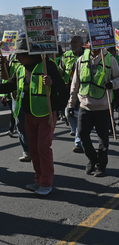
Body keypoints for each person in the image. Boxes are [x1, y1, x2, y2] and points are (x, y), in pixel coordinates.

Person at [0, 33, 67, 195]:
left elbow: (62, 89)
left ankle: (46, 182)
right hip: (29, 114)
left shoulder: (48, 65)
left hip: (46, 114)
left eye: (21, 55)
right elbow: (10, 85)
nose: (18, 59)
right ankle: (38, 179)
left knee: (43, 146)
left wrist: (52, 86)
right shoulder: (21, 68)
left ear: (30, 54)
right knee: (34, 149)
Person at [68, 44, 119, 177]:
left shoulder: (110, 59)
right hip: (85, 106)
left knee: (103, 139)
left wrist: (112, 84)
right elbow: (75, 83)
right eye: (91, 44)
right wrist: (71, 103)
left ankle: (101, 166)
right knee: (81, 134)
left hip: (103, 107)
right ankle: (93, 159)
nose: (94, 47)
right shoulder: (81, 59)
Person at [59, 35, 85, 153]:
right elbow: (61, 70)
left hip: (82, 90)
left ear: (81, 44)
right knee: (68, 114)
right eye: (71, 42)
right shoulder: (66, 55)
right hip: (68, 89)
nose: (72, 44)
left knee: (79, 116)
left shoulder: (87, 55)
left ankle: (78, 142)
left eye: (75, 42)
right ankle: (79, 133)